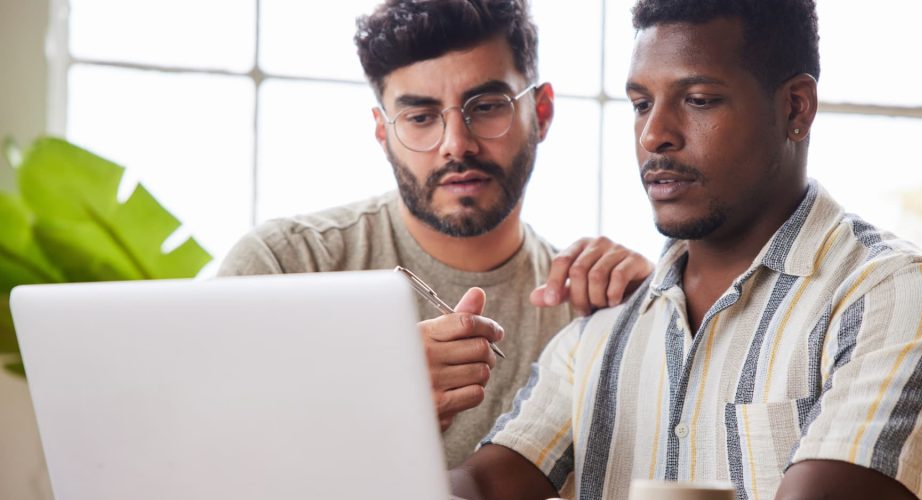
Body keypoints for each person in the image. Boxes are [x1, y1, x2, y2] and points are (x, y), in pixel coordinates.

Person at [449, 1, 922, 500]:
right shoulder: (605, 323)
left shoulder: (902, 298)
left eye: (699, 100)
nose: (655, 134)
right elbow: (485, 485)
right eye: (641, 104)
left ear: (795, 108)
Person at [218, 0, 653, 467]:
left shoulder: (591, 305)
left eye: (486, 107)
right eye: (421, 117)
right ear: (383, 133)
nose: (456, 144)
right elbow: (199, 460)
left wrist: (658, 306)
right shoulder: (284, 267)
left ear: (541, 112)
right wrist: (369, 400)